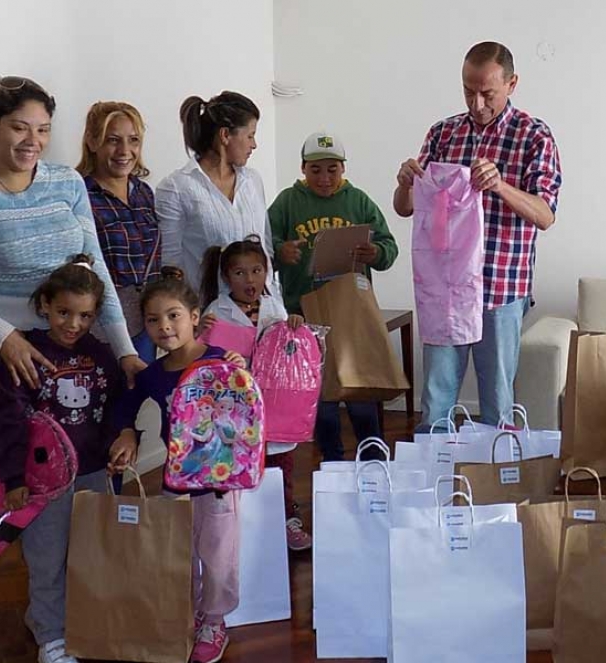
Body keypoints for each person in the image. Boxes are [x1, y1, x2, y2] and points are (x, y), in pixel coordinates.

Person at [0, 76, 142, 403]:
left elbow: (96, 271)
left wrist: (124, 350)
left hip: (79, 341)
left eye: (43, 129)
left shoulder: (67, 181)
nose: (33, 140)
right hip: (12, 353)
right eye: (19, 127)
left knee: (88, 447)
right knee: (31, 450)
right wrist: (2, 335)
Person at [392, 41, 562, 431]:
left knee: (498, 402)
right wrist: (404, 184)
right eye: (468, 90)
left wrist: (501, 186)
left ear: (512, 84)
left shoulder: (534, 137)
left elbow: (545, 215)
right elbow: (405, 208)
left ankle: (493, 484)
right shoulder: (443, 133)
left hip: (501, 288)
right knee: (435, 400)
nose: (477, 102)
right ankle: (431, 482)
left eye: (488, 92)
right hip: (445, 288)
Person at [109, 269, 245, 663]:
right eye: (153, 319)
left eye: (173, 315)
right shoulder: (153, 374)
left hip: (219, 481)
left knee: (218, 555)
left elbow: (246, 411)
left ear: (194, 316)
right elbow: (126, 407)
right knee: (178, 553)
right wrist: (128, 434)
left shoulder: (220, 361)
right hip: (175, 480)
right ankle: (184, 613)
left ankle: (214, 620)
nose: (164, 326)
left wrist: (240, 373)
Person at [0, 256, 123, 663]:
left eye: (85, 315)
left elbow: (118, 406)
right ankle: (50, 633)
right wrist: (14, 480)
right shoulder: (25, 355)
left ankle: (81, 621)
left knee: (90, 555)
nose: (73, 324)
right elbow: (10, 422)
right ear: (45, 304)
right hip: (42, 483)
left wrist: (121, 442)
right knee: (46, 558)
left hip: (94, 472)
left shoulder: (102, 355)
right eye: (64, 312)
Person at [270, 131, 398, 459]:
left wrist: (375, 253)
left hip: (350, 315)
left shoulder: (358, 201)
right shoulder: (287, 202)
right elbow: (259, 249)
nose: (324, 178)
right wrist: (279, 253)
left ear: (343, 168)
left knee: (361, 397)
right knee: (322, 402)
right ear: (302, 169)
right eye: (315, 170)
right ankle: (332, 467)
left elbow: (389, 247)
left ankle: (374, 463)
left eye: (332, 169)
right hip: (303, 316)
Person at [199, 235, 312, 551]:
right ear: (226, 277)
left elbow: (288, 351)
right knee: (243, 462)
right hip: (234, 405)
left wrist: (294, 324)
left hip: (273, 402)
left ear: (266, 271)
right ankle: (245, 524)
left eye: (256, 271)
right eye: (240, 273)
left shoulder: (274, 306)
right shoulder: (216, 311)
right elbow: (203, 358)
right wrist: (199, 332)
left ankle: (287, 519)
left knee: (281, 464)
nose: (249, 279)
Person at [156, 91, 273, 294]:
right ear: (225, 135)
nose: (254, 145)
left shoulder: (252, 181)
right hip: (209, 314)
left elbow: (265, 248)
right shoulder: (176, 187)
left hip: (261, 313)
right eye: (250, 136)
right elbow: (170, 263)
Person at [77, 101, 160, 363]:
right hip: (102, 324)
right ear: (92, 142)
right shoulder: (79, 195)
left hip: (148, 319)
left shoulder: (144, 192)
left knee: (141, 398)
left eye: (133, 140)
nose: (125, 150)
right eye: (113, 140)